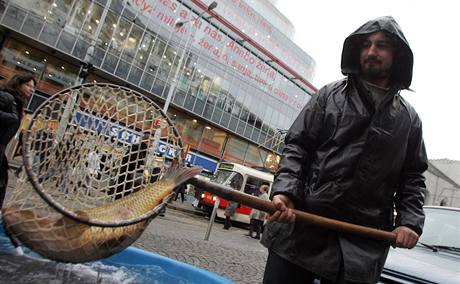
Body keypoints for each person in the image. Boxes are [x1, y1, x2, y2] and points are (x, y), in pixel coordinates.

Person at [261, 16, 428, 284]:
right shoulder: (328, 96)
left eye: (382, 45)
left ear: (397, 55)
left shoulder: (409, 120)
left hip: (361, 246)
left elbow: (413, 178)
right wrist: (286, 191)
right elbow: (297, 147)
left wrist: (409, 221)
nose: (372, 51)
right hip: (301, 230)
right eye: (366, 45)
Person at [0, 73, 36, 208]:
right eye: (28, 85)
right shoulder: (6, 96)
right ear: (18, 84)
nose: (31, 90)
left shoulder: (17, 103)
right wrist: (13, 117)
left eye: (33, 87)